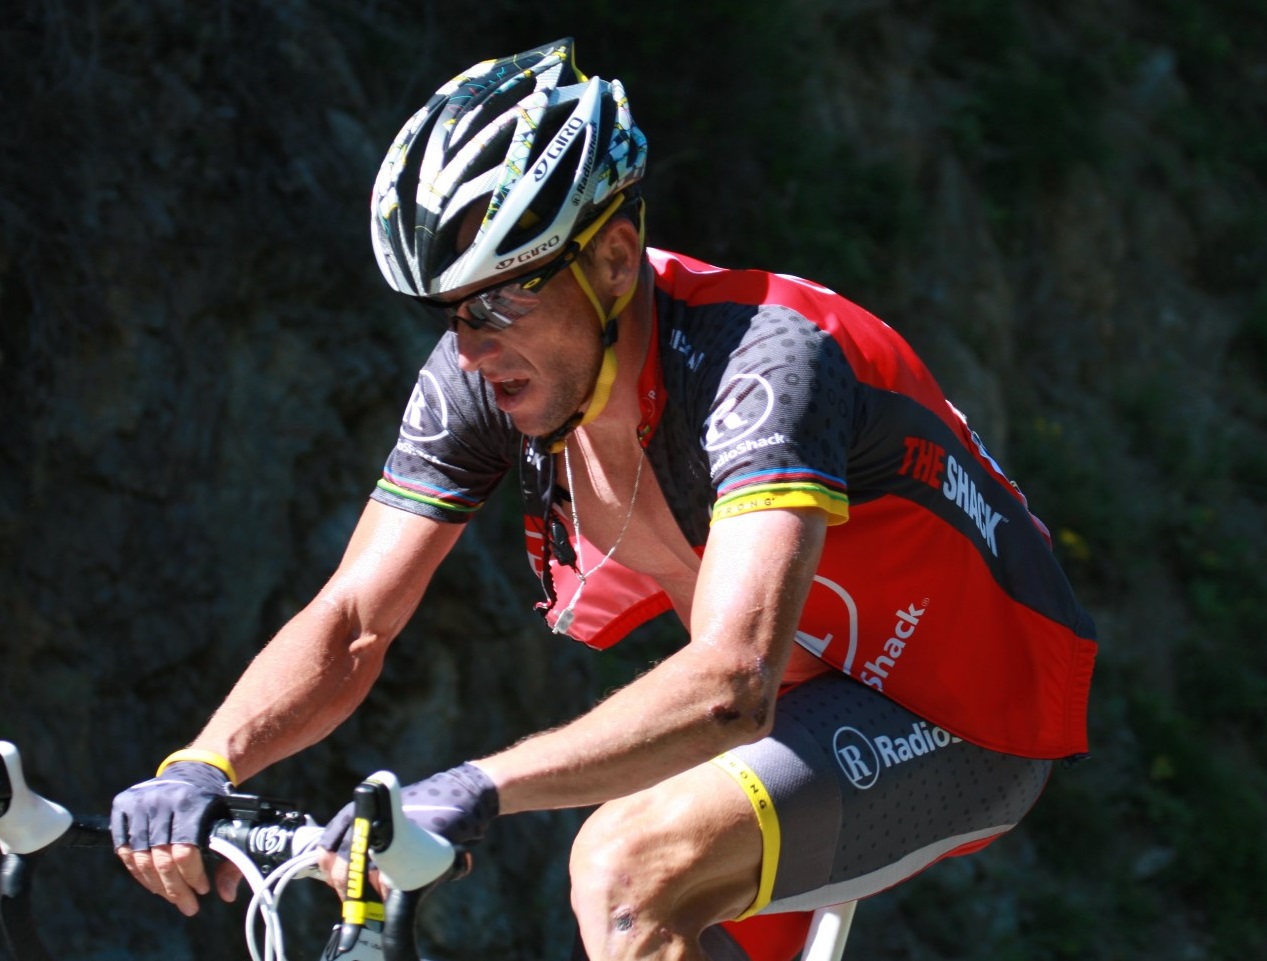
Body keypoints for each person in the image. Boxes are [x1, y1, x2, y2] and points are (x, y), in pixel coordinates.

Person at [111, 38, 1097, 961]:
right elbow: (356, 618)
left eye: (498, 299)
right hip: (804, 699)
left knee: (624, 860)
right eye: (446, 312)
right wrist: (205, 760)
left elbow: (728, 683)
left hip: (966, 705)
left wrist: (477, 786)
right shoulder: (486, 376)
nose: (469, 346)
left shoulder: (764, 363)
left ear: (615, 259)